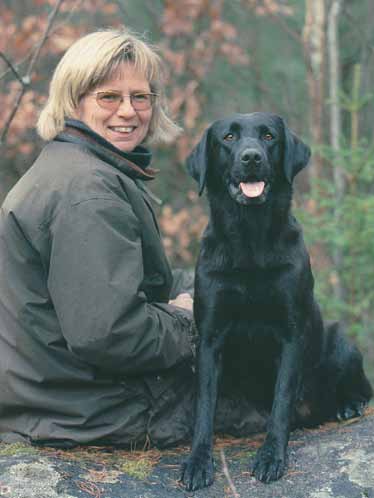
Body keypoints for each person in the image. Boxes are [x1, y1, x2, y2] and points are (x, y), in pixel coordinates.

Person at [0, 29, 264, 449]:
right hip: (94, 411)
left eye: (140, 97)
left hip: (56, 395)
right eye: (109, 97)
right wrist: (188, 320)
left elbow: (137, 283)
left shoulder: (78, 166)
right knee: (286, 394)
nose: (128, 111)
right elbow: (108, 333)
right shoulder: (87, 192)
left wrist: (211, 284)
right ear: (73, 100)